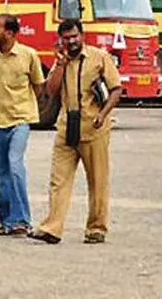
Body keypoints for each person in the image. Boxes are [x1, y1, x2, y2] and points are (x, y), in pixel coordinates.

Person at [29, 19, 121, 245]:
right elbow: (50, 91)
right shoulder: (62, 61)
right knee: (58, 180)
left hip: (94, 127)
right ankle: (52, 228)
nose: (70, 42)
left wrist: (103, 114)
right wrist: (59, 64)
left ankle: (96, 228)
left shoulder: (100, 58)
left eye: (74, 37)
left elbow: (116, 89)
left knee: (97, 180)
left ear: (82, 35)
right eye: (66, 38)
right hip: (66, 128)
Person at [0, 14, 44, 237]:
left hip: (20, 120)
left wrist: (29, 110)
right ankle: (7, 221)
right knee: (0, 174)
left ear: (10, 33)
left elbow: (39, 87)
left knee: (15, 166)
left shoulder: (29, 55)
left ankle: (22, 220)